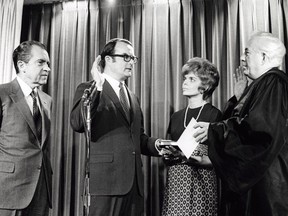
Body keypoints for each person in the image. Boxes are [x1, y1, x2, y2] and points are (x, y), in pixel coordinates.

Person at [194, 32, 288, 216]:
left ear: (263, 57)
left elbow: (259, 129)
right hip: (263, 181)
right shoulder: (265, 84)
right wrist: (240, 99)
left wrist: (214, 131)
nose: (242, 58)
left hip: (267, 185)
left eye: (247, 52)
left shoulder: (274, 81)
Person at [70, 38, 161, 216]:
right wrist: (98, 85)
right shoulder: (88, 89)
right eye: (126, 57)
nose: (131, 62)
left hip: (134, 187)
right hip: (105, 185)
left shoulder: (132, 97)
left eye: (133, 58)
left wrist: (159, 145)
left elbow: (138, 139)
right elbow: (78, 122)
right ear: (108, 59)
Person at [160, 57, 222, 216]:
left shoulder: (214, 115)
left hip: (202, 181)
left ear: (205, 85)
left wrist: (199, 158)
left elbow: (220, 158)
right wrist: (167, 153)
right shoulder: (176, 116)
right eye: (185, 78)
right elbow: (168, 153)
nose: (185, 82)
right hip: (177, 181)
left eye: (191, 79)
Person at [0, 41, 52, 215]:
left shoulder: (46, 100)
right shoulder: (2, 94)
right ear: (22, 65)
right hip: (8, 190)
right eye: (41, 62)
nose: (47, 68)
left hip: (40, 191)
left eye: (48, 64)